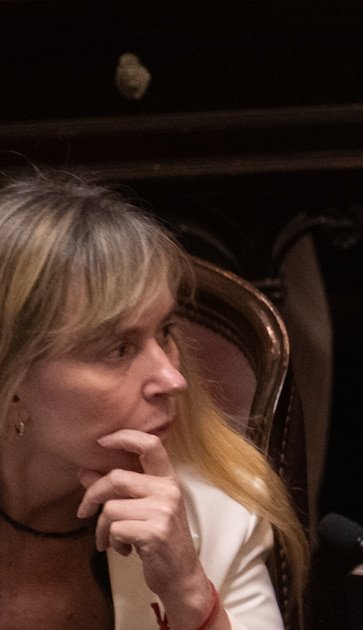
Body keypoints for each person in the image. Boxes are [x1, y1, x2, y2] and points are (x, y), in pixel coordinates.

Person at [0, 173, 308, 629]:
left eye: (165, 332)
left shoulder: (216, 513)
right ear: (13, 378)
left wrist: (189, 594)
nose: (171, 378)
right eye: (118, 349)